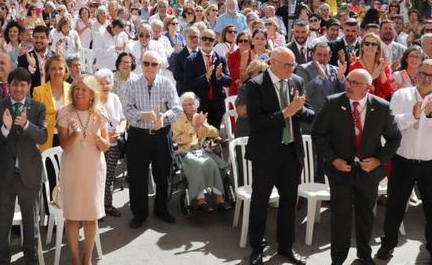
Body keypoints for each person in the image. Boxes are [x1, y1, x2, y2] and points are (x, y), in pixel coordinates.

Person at [311, 68, 401, 265]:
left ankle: (364, 255)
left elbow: (394, 139)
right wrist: (333, 159)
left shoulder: (382, 107)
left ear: (368, 87)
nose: (349, 85)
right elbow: (318, 135)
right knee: (340, 217)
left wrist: (379, 160)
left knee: (366, 216)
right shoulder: (333, 103)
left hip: (368, 173)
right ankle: (338, 258)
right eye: (348, 81)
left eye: (355, 83)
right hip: (340, 171)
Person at [377, 60, 432, 265]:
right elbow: (391, 124)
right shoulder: (401, 95)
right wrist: (411, 116)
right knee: (395, 206)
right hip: (404, 160)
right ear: (416, 75)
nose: (426, 78)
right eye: (422, 73)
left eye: (431, 75)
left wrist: (431, 116)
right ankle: (388, 244)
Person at [245, 47, 313, 265]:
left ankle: (286, 247)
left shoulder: (296, 81)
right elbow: (255, 122)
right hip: (266, 153)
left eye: (293, 65)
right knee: (260, 200)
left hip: (291, 152)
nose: (290, 69)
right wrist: (286, 113)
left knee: (289, 202)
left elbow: (309, 115)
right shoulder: (255, 85)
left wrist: (299, 110)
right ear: (272, 62)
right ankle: (257, 247)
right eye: (286, 65)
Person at [0, 67, 48, 265]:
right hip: (4, 174)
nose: (18, 88)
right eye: (15, 84)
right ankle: (2, 261)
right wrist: (5, 128)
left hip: (29, 174)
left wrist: (27, 125)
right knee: (3, 223)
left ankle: (31, 259)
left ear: (29, 87)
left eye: (23, 84)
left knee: (31, 222)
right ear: (9, 86)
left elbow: (43, 136)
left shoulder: (38, 107)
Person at [123, 50, 182, 228]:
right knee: (137, 176)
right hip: (138, 135)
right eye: (146, 63)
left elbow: (177, 108)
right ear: (141, 65)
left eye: (154, 64)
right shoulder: (132, 83)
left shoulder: (166, 83)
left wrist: (163, 118)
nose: (150, 67)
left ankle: (161, 209)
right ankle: (139, 213)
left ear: (159, 66)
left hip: (161, 136)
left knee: (163, 174)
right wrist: (145, 115)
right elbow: (127, 110)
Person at [56, 75, 110, 265]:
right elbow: (65, 147)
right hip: (72, 169)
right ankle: (76, 260)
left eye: (84, 89)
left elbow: (106, 145)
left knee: (91, 216)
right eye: (76, 88)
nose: (79, 92)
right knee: (72, 217)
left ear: (91, 94)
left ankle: (87, 259)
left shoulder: (99, 112)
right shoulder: (64, 112)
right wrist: (77, 134)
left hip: (94, 169)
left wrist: (97, 137)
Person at [171, 92, 230, 211]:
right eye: (187, 104)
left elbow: (215, 133)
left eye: (192, 104)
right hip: (185, 152)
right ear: (182, 106)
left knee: (216, 164)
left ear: (196, 105)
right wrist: (194, 127)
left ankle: (219, 198)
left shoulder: (199, 116)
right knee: (200, 165)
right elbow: (178, 139)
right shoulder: (177, 119)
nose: (191, 107)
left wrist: (204, 125)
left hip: (201, 151)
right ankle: (200, 200)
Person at [93, 69, 126, 217]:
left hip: (113, 146)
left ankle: (107, 205)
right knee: (96, 178)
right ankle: (95, 209)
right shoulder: (91, 101)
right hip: (96, 146)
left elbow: (123, 119)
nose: (105, 86)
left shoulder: (115, 98)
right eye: (101, 83)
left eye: (107, 83)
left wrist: (120, 130)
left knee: (109, 176)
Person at [183, 28, 230, 130]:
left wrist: (219, 76)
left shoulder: (221, 58)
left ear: (215, 41)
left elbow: (228, 81)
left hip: (217, 105)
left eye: (210, 39)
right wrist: (205, 78)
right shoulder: (190, 60)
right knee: (201, 137)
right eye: (204, 38)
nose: (207, 41)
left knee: (214, 135)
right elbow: (188, 84)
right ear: (199, 40)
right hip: (200, 106)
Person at [297, 41, 347, 135]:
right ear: (312, 54)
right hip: (312, 122)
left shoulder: (336, 70)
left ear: (330, 56)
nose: (322, 58)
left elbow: (344, 94)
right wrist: (319, 79)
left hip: (332, 122)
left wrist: (340, 78)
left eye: (325, 55)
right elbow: (303, 92)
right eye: (319, 54)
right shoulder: (303, 69)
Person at [32, 55, 72, 151]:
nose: (57, 72)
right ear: (48, 71)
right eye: (53, 69)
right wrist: (57, 117)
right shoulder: (38, 91)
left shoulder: (72, 89)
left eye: (60, 68)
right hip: (47, 140)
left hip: (68, 137)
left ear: (65, 70)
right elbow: (36, 119)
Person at [348, 32, 395, 100]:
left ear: (378, 49)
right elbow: (354, 90)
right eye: (367, 44)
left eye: (373, 44)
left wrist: (382, 71)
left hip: (379, 105)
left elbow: (388, 91)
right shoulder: (354, 66)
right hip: (361, 103)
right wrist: (372, 77)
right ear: (362, 47)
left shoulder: (384, 65)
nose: (370, 46)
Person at [17, 25, 53, 90]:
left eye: (42, 37)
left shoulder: (55, 57)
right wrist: (31, 67)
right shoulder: (23, 59)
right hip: (33, 98)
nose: (38, 40)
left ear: (48, 39)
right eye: (36, 37)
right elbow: (21, 80)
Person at [170, 26, 200, 94]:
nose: (194, 39)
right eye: (191, 37)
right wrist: (195, 77)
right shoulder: (178, 55)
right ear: (185, 38)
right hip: (185, 93)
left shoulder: (203, 53)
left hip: (201, 92)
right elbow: (176, 75)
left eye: (196, 37)